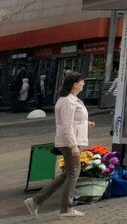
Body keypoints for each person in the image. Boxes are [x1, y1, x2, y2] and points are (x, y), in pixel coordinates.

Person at [24, 71, 94, 218]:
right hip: (70, 142)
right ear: (75, 85)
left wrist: (86, 123)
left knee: (68, 173)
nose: (84, 83)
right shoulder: (68, 101)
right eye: (82, 81)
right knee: (74, 172)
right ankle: (66, 208)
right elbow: (66, 126)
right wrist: (73, 145)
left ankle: (36, 201)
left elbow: (72, 120)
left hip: (70, 140)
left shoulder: (72, 100)